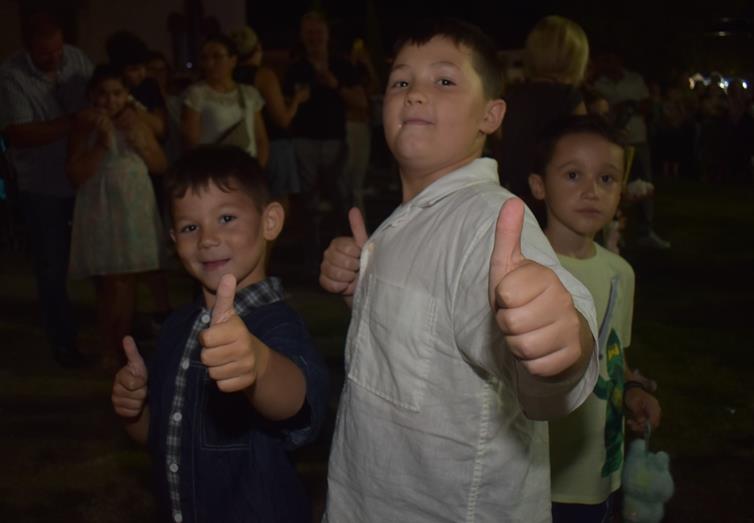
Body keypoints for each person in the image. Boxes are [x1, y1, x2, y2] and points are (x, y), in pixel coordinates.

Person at [319, 18, 599, 522]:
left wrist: (559, 344)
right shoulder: (408, 217)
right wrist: (361, 291)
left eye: (444, 80)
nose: (414, 93)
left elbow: (542, 375)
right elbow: (421, 340)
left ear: (490, 115)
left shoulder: (486, 220)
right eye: (400, 81)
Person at [111, 145, 329, 522]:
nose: (207, 238)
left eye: (226, 218)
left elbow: (298, 400)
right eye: (190, 227)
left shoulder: (278, 325)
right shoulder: (177, 327)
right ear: (173, 238)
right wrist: (135, 411)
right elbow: (163, 438)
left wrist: (259, 366)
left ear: (270, 221)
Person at [527, 115, 662, 522]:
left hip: (597, 474)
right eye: (573, 175)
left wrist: (633, 390)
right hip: (531, 476)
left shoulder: (620, 273)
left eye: (607, 178)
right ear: (538, 185)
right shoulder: (524, 269)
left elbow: (613, 356)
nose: (592, 191)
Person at [0, 8, 93, 367]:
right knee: (51, 267)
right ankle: (63, 341)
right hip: (42, 185)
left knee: (100, 257)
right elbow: (19, 132)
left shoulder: (76, 59)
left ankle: (111, 328)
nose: (55, 59)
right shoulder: (11, 76)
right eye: (45, 54)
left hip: (84, 177)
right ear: (28, 49)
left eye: (58, 50)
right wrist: (73, 123)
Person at [67, 64, 167, 369]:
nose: (110, 100)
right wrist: (101, 142)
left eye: (117, 93)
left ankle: (119, 347)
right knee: (108, 282)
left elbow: (160, 165)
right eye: (103, 94)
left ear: (127, 95)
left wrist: (140, 142)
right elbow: (75, 174)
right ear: (91, 96)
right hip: (101, 204)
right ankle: (110, 346)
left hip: (134, 203)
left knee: (126, 280)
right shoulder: (86, 124)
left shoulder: (137, 121)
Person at [285, 11, 362, 272]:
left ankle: (350, 253)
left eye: (318, 32)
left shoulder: (342, 65)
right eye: (309, 33)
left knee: (342, 197)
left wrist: (335, 85)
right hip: (304, 141)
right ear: (302, 36)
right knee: (308, 201)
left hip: (334, 141)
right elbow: (284, 105)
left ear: (327, 34)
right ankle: (312, 256)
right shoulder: (296, 68)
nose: (314, 38)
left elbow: (361, 102)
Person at [495, 15, 589, 224]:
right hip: (554, 199)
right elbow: (582, 152)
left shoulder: (511, 96)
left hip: (514, 193)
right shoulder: (569, 98)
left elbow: (502, 142)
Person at [593, 53, 671, 249]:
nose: (609, 63)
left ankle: (646, 229)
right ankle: (614, 229)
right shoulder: (598, 83)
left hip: (637, 139)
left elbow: (647, 104)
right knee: (613, 185)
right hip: (611, 142)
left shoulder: (635, 80)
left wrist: (630, 106)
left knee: (644, 185)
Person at [230, 25, 310, 205]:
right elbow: (282, 119)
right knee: (277, 202)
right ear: (257, 48)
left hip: (245, 147)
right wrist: (297, 100)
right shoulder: (263, 76)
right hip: (272, 145)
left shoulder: (228, 77)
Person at [182, 34, 269, 166]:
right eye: (205, 58)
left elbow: (261, 139)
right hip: (214, 167)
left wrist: (258, 168)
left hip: (246, 166)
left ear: (233, 60)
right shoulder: (197, 94)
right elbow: (191, 142)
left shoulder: (249, 93)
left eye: (217, 57)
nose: (209, 64)